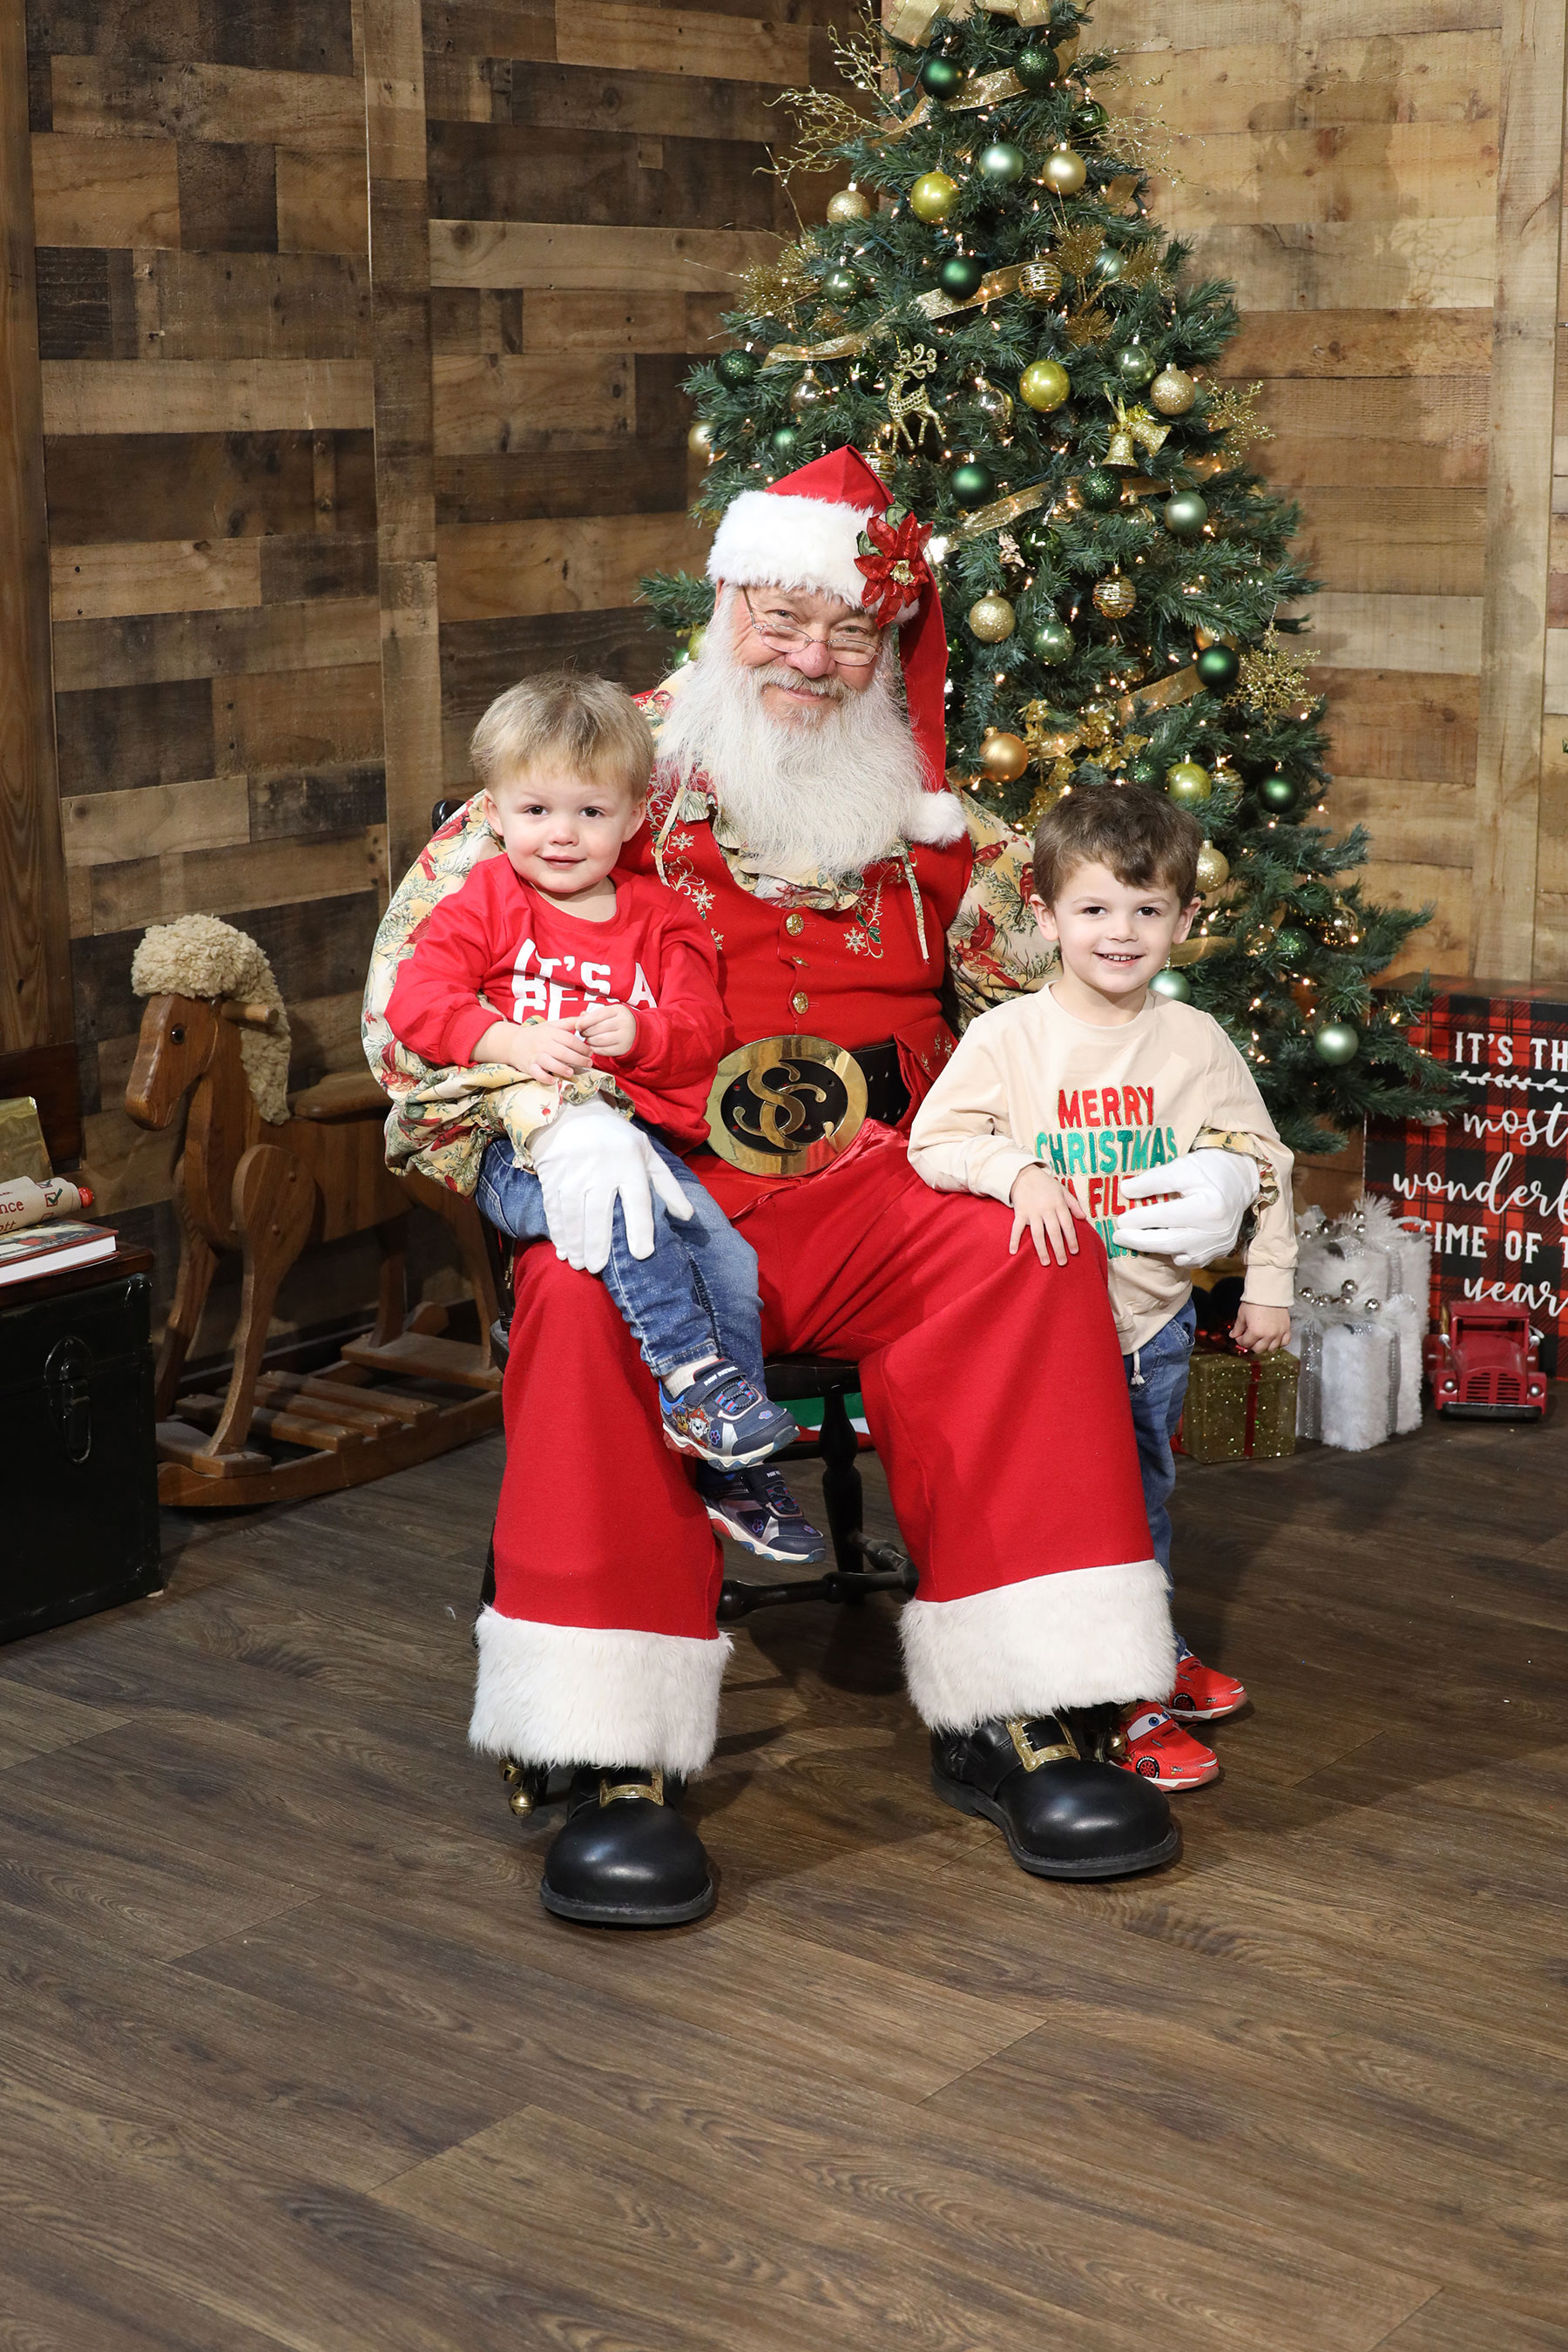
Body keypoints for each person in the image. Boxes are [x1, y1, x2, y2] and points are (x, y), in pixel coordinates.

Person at [364, 448, 1267, 1929]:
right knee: (588, 1297)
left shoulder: (945, 837)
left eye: (852, 629)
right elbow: (406, 1012)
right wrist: (548, 1124)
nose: (813, 655)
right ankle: (607, 1757)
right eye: (783, 617)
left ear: (890, 647)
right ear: (724, 606)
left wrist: (1197, 1160)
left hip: (885, 1181)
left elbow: (1100, 1011)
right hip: (661, 1171)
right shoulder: (584, 786)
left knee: (1023, 1260)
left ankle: (1031, 1711)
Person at [382, 672, 825, 1561]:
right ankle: (694, 1380)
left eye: (589, 813)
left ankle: (728, 1458)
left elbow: (704, 1035)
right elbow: (416, 1003)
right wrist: (506, 1039)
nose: (561, 834)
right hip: (513, 1148)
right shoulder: (488, 905)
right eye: (536, 810)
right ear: (496, 813)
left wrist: (642, 1028)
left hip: (638, 1137)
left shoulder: (661, 919)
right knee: (636, 1225)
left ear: (631, 819)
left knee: (729, 1262)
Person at [908, 782, 1295, 1788]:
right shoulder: (1008, 1040)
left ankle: (1148, 1653)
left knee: (1147, 1499)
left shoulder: (1195, 1041)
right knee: (1082, 1507)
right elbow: (935, 1143)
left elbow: (1264, 1159)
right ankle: (1119, 1705)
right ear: (1043, 917)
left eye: (1147, 909)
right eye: (1093, 909)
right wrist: (1018, 1171)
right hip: (1049, 1332)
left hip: (1154, 1318)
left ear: (1184, 919)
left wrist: (1269, 1285)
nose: (1120, 933)